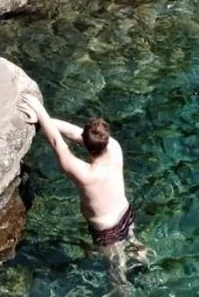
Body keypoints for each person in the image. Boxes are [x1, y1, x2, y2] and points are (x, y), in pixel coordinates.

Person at [21, 95, 149, 290]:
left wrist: (39, 110)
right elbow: (74, 133)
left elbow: (57, 141)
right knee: (134, 243)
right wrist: (43, 119)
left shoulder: (85, 174)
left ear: (85, 143)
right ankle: (145, 267)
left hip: (107, 232)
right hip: (126, 215)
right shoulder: (115, 147)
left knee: (116, 271)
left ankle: (123, 293)